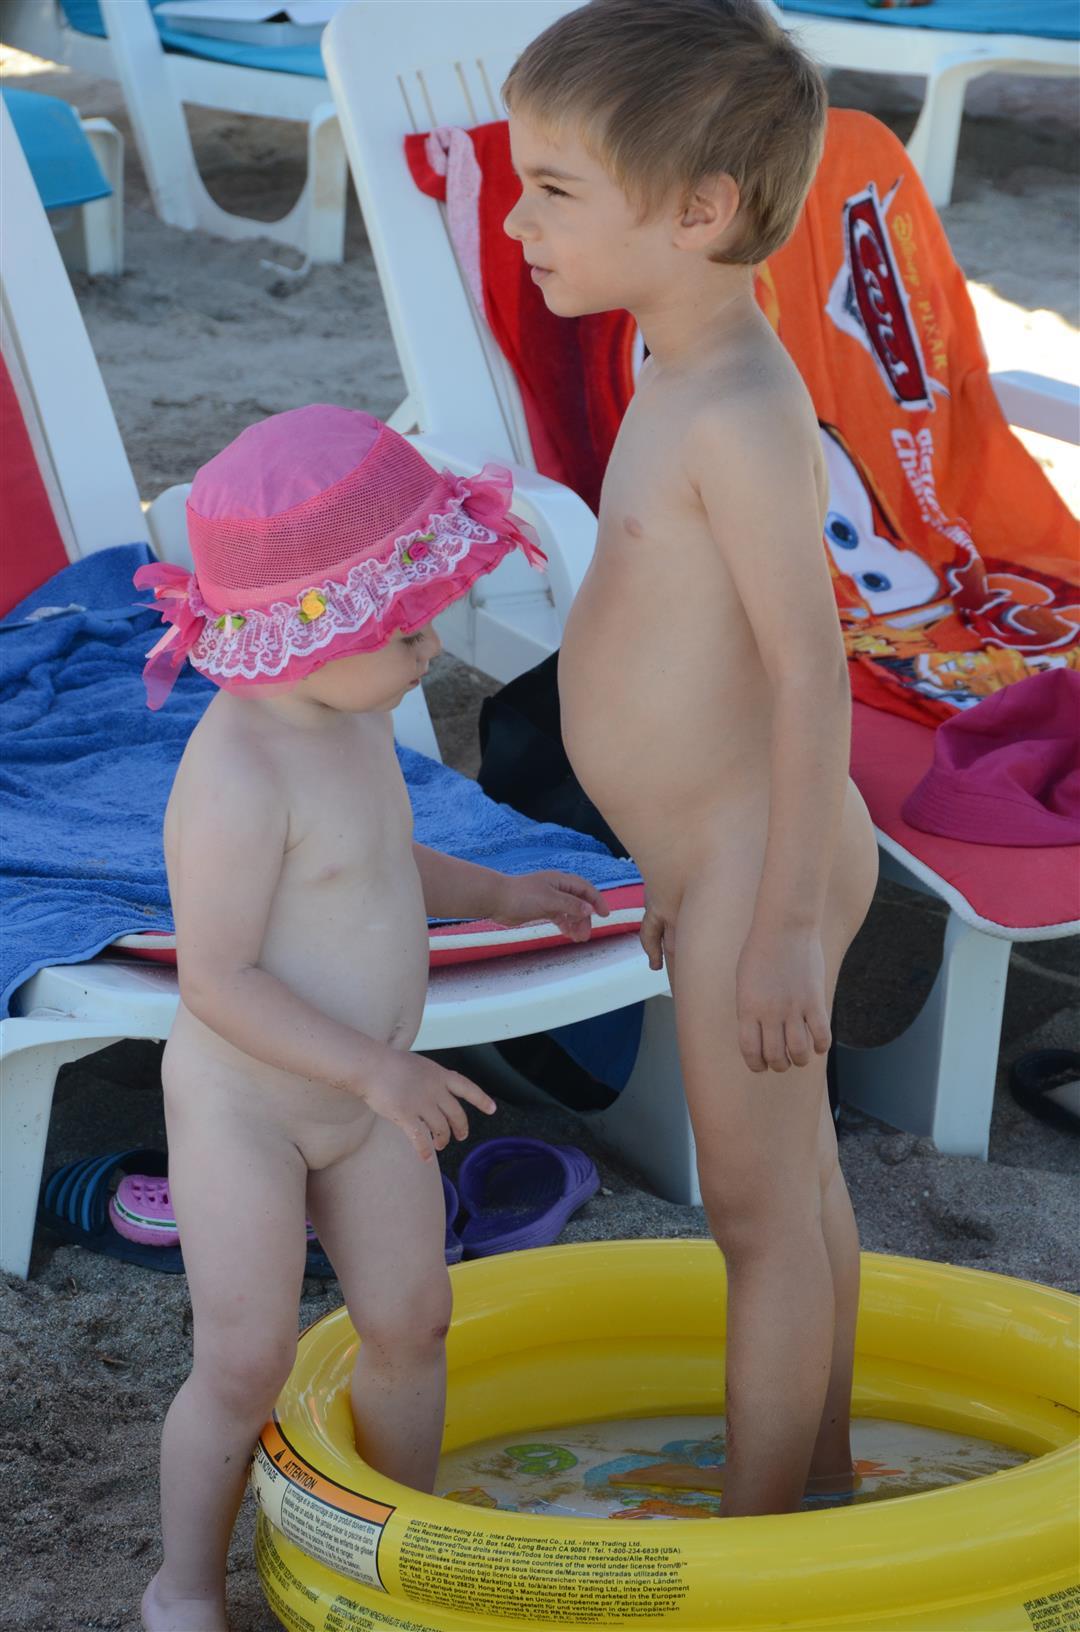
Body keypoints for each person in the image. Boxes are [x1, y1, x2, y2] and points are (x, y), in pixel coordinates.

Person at [136, 405, 609, 1632]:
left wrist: (497, 893)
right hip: (251, 1112)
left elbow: (383, 857)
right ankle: (183, 1585)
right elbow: (217, 980)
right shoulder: (237, 775)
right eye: (403, 630)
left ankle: (402, 1543)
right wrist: (376, 1073)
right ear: (304, 633)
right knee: (247, 1361)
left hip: (363, 1101)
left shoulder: (347, 720)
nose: (431, 647)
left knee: (413, 1321)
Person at [503, 0, 879, 1517]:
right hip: (718, 855)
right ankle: (826, 1475)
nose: (516, 220)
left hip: (760, 862)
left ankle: (761, 1541)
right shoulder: (678, 361)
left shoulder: (736, 403)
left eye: (553, 188)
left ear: (698, 211)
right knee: (806, 1189)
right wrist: (672, 861)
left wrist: (773, 920)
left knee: (757, 1219)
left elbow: (809, 671)